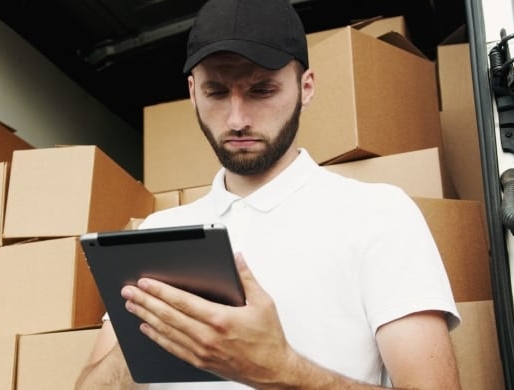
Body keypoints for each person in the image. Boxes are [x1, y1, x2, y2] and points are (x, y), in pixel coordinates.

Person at [75, 0, 461, 388]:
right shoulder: (159, 232)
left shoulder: (379, 214)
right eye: (217, 92)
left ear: (305, 87)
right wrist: (151, 328)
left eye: (261, 90)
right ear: (192, 92)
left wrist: (278, 368)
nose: (238, 119)